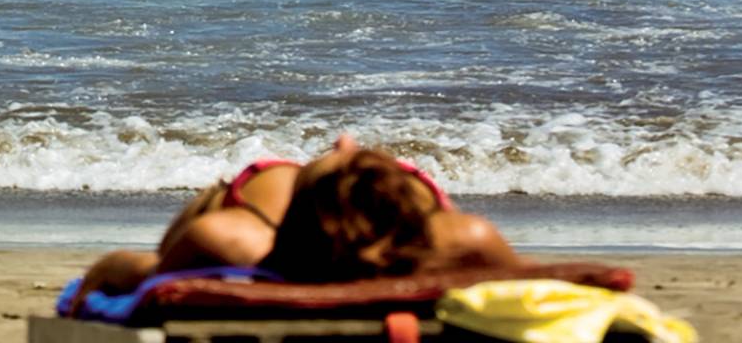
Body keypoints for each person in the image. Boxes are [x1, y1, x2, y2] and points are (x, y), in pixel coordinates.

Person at [65, 134, 523, 314]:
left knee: (272, 177)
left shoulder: (238, 240)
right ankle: (364, 181)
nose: (345, 141)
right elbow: (547, 290)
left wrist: (107, 272)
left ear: (294, 219)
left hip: (301, 238)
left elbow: (133, 273)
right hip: (375, 234)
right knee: (354, 180)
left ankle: (310, 181)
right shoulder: (460, 239)